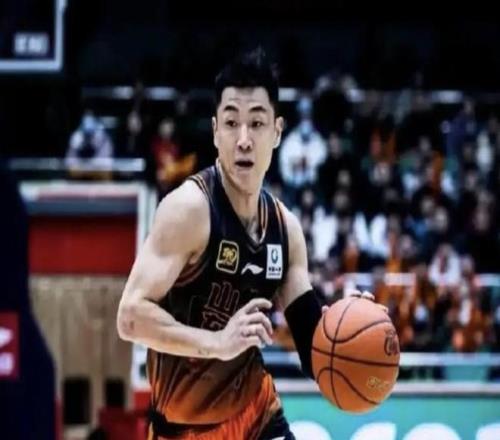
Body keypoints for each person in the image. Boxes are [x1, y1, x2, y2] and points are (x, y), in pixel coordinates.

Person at [117, 48, 378, 440]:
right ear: (214, 132)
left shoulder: (285, 229)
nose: (243, 140)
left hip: (257, 415)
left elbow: (312, 348)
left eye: (256, 123)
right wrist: (217, 343)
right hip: (183, 429)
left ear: (277, 131)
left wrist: (349, 326)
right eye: (231, 122)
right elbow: (130, 317)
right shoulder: (189, 210)